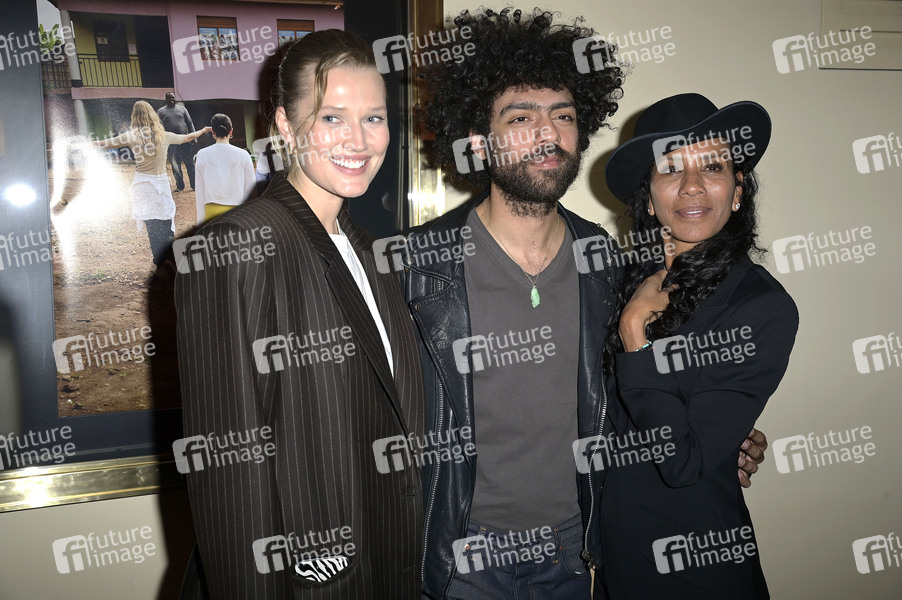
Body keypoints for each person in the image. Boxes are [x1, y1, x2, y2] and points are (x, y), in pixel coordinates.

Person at [407, 9, 768, 600]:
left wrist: (724, 437)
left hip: (580, 554)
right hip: (460, 558)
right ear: (477, 141)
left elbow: (639, 390)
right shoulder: (417, 268)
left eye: (564, 116)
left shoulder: (609, 266)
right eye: (520, 117)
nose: (547, 133)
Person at [175, 29, 424, 599]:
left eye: (374, 118)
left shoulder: (373, 254)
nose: (359, 140)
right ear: (285, 125)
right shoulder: (233, 247)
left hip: (387, 564)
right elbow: (228, 471)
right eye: (332, 118)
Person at [598, 93, 799, 599]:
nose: (692, 185)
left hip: (693, 569)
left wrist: (636, 338)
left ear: (737, 190)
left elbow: (682, 463)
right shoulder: (620, 282)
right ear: (648, 198)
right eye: (671, 168)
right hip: (608, 558)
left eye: (712, 166)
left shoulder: (760, 306)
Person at [92, 101, 210, 265]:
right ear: (153, 115)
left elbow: (105, 143)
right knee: (166, 221)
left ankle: (158, 259)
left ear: (135, 116)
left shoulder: (131, 136)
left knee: (151, 224)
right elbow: (188, 137)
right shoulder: (164, 135)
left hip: (141, 185)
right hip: (160, 184)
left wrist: (84, 144)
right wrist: (204, 130)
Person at [194, 113, 256, 225]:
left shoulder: (202, 154)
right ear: (231, 131)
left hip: (211, 215)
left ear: (213, 132)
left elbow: (199, 192)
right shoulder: (244, 155)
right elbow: (251, 192)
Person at [158, 91, 197, 192]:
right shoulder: (161, 111)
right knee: (175, 165)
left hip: (184, 140)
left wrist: (194, 137)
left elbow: (190, 123)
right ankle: (180, 186)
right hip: (171, 142)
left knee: (189, 163)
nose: (172, 100)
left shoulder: (182, 109)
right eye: (169, 98)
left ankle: (194, 185)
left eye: (173, 98)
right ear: (166, 99)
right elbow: (158, 126)